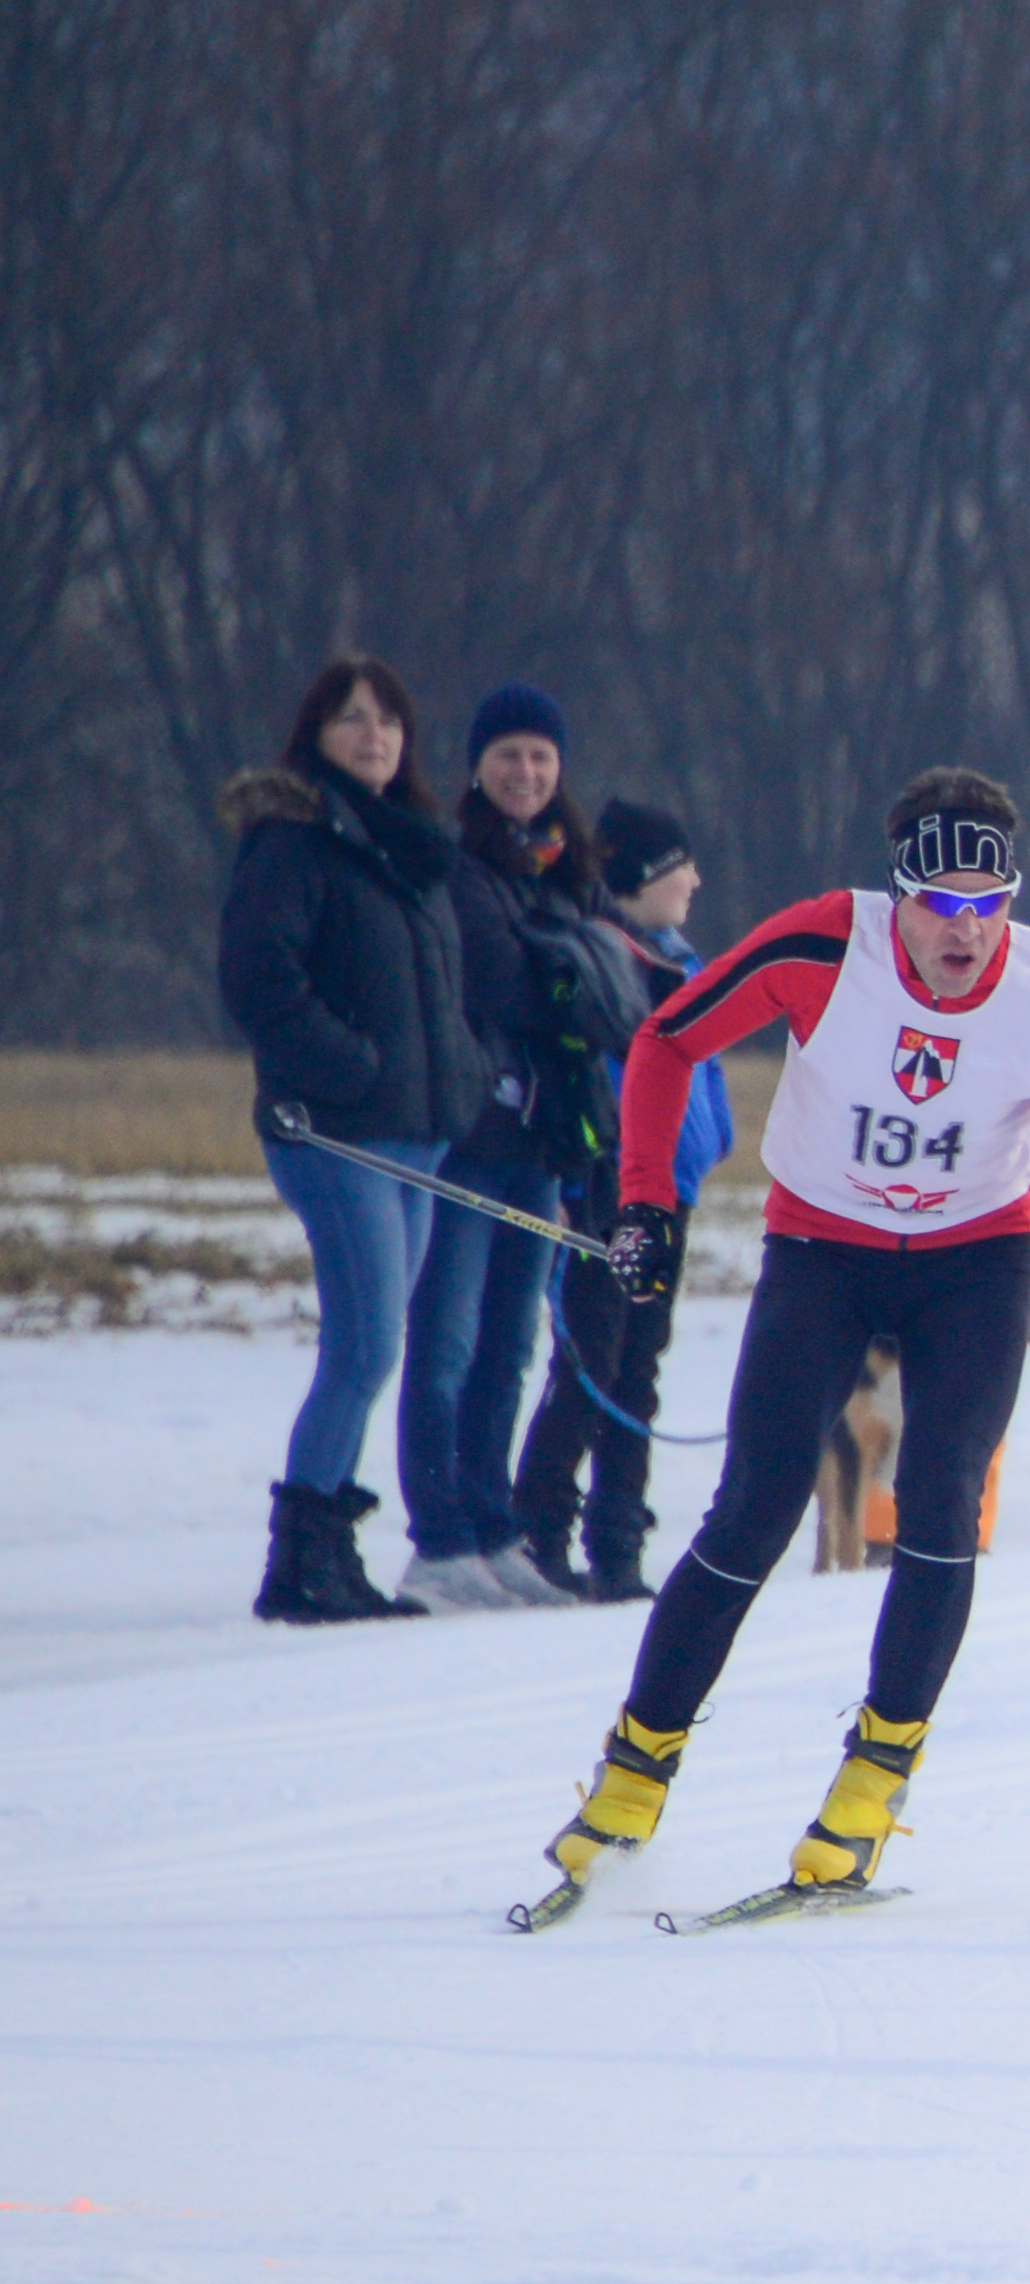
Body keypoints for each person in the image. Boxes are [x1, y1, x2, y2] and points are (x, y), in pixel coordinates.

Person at [514, 767, 1030, 1924]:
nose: (967, 931)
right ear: (898, 897)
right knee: (755, 1506)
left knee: (940, 1502)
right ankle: (632, 1778)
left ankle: (870, 1788)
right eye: (942, 904)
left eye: (991, 905)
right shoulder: (825, 944)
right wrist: (646, 1206)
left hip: (974, 1264)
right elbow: (669, 1041)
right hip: (823, 1249)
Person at [215, 655, 483, 1623]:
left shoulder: (408, 848)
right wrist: (350, 1068)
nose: (375, 736)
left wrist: (463, 1067)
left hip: (417, 1139)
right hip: (338, 1137)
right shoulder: (294, 842)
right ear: (316, 735)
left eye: (389, 720)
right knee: (364, 1348)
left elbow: (440, 990)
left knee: (378, 1346)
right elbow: (258, 980)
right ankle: (302, 1562)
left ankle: (325, 1552)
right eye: (353, 719)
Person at [399, 683, 616, 1605]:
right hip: (471, 1137)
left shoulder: (566, 870)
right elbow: (499, 979)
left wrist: (575, 978)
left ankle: (493, 1528)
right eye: (508, 756)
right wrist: (572, 977)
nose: (525, 773)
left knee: (508, 1346)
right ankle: (439, 1537)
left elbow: (598, 991)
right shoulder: (460, 865)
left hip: (543, 1143)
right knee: (445, 1341)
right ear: (477, 767)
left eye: (540, 757)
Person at [509, 803, 731, 1604]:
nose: (695, 880)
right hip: (609, 1193)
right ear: (640, 877)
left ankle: (618, 1542)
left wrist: (714, 1140)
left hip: (673, 1198)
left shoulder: (685, 964)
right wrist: (581, 1184)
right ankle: (539, 1529)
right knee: (591, 1366)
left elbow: (706, 1071)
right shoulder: (598, 956)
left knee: (639, 1366)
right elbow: (586, 1075)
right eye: (681, 866)